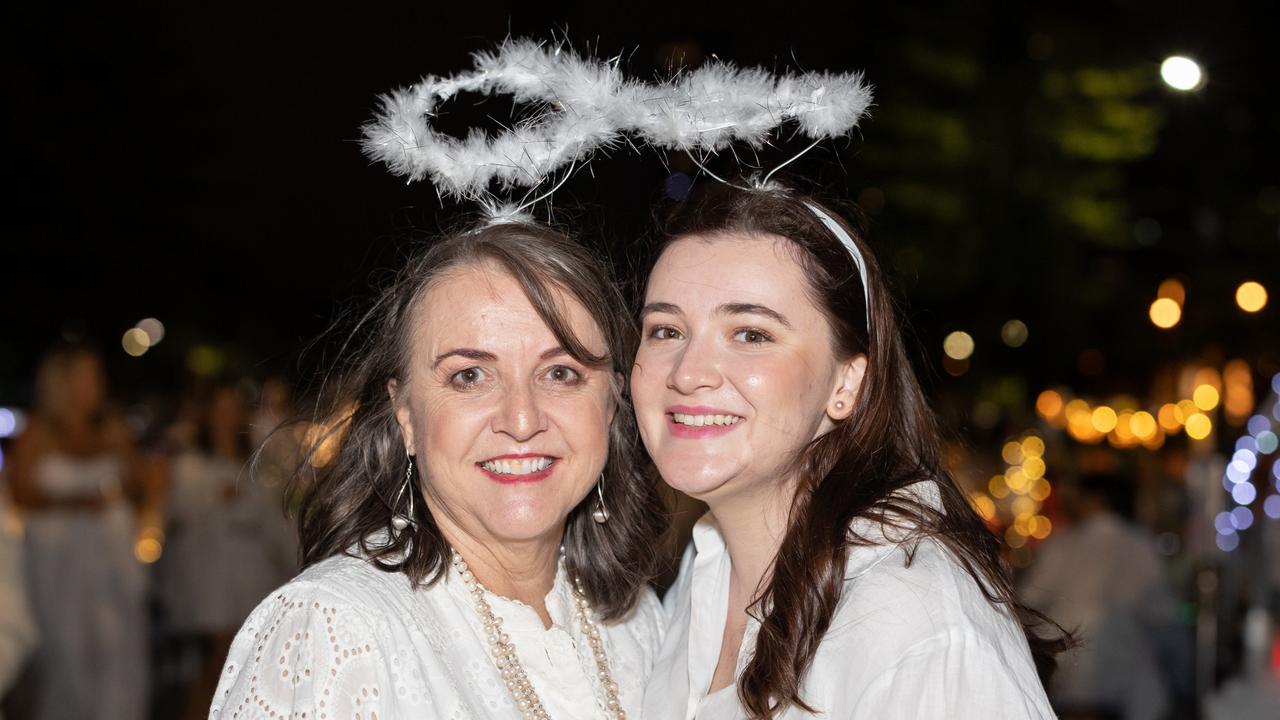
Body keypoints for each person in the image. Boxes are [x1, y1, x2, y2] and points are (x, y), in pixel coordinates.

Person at [634, 180, 1068, 719]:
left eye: (750, 334)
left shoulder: (913, 623)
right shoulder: (705, 574)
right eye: (665, 330)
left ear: (847, 385)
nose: (688, 373)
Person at [211, 221, 668, 719]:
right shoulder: (333, 629)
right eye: (470, 376)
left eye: (560, 373)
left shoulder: (639, 620)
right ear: (405, 413)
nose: (521, 420)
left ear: (611, 402)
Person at [7, 344, 149, 720]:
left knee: (116, 650)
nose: (98, 384)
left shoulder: (112, 429)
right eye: (90, 376)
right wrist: (75, 506)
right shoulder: (37, 432)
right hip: (57, 567)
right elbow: (19, 495)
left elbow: (138, 491)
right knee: (67, 656)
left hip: (109, 567)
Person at [160, 381, 296, 719]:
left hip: (251, 575)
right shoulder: (190, 464)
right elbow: (178, 515)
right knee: (218, 663)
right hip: (211, 578)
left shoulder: (258, 465)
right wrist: (213, 500)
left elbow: (273, 520)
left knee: (250, 661)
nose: (227, 417)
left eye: (233, 408)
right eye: (220, 409)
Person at [1020, 472, 1178, 720]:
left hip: (1065, 676)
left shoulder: (1062, 544)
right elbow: (1164, 614)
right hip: (1125, 683)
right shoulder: (1141, 545)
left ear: (1094, 500)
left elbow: (1028, 602)